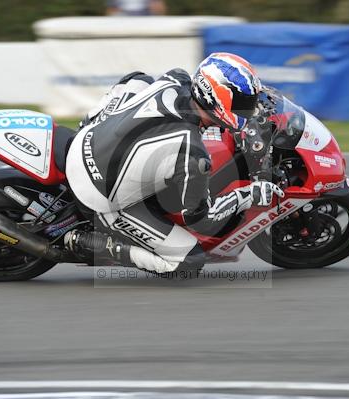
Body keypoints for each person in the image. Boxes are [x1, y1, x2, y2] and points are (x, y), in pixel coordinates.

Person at [64, 53, 284, 274]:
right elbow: (201, 219)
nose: (247, 108)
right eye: (242, 103)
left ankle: (89, 120)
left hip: (87, 138)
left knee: (139, 79)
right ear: (217, 99)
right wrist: (248, 195)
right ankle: (104, 247)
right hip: (96, 193)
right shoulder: (193, 154)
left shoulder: (177, 78)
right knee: (188, 262)